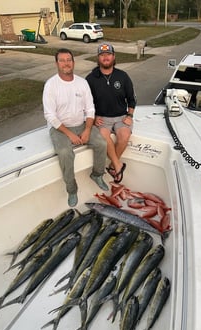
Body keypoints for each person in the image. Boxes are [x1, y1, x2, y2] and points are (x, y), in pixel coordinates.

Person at [43, 48, 108, 207]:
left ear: (73, 62)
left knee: (101, 143)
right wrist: (69, 134)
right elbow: (50, 115)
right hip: (60, 129)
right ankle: (72, 190)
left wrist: (87, 129)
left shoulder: (82, 83)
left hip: (81, 125)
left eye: (69, 60)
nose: (66, 63)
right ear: (57, 63)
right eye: (62, 60)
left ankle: (97, 175)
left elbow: (90, 109)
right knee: (65, 152)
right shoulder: (51, 85)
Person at [86, 42, 136, 183]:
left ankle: (113, 166)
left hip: (121, 117)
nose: (105, 57)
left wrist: (130, 115)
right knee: (103, 136)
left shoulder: (123, 76)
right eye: (102, 55)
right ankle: (118, 166)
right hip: (102, 118)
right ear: (98, 58)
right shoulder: (90, 79)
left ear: (114, 57)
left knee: (124, 135)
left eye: (108, 54)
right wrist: (94, 117)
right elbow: (86, 103)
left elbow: (132, 99)